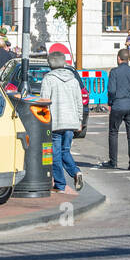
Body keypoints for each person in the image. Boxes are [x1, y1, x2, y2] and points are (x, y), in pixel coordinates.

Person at [40, 51, 84, 193]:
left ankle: (60, 184)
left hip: (56, 122)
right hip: (71, 122)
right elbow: (79, 102)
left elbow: (44, 101)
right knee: (66, 150)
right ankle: (76, 172)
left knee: (55, 154)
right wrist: (79, 120)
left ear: (50, 63)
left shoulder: (49, 79)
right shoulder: (73, 80)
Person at [100, 48, 130, 171]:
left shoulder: (114, 72)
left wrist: (111, 102)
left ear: (119, 58)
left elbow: (111, 90)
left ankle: (113, 161)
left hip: (118, 105)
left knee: (113, 132)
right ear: (128, 59)